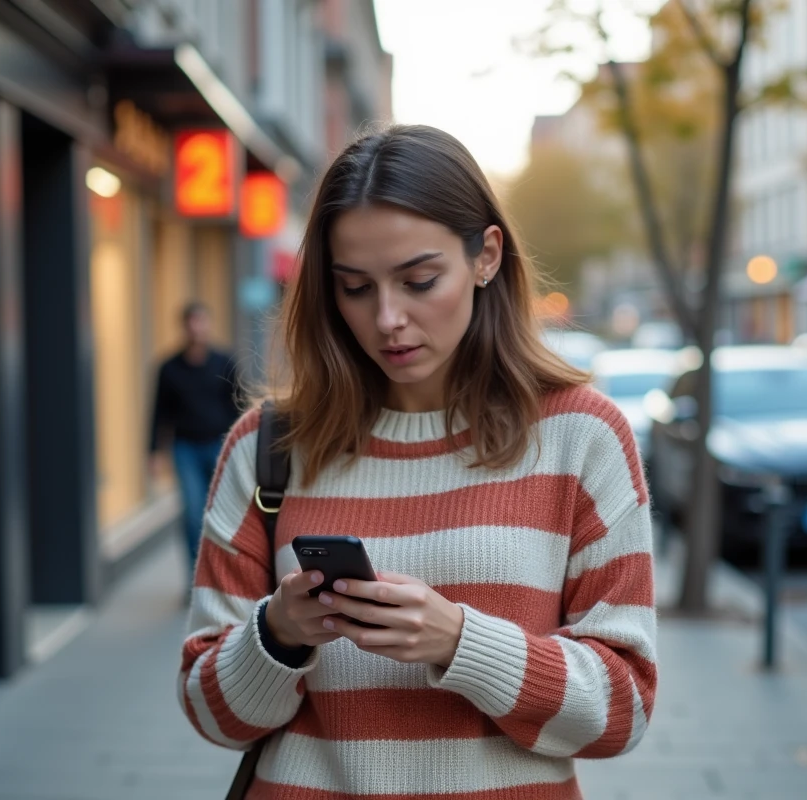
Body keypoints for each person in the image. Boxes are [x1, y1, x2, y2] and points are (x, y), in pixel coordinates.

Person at [177, 125, 657, 798]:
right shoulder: (270, 443)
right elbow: (209, 712)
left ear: (486, 256)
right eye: (355, 287)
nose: (388, 318)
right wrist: (279, 633)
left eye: (419, 279)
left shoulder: (581, 435)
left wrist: (460, 642)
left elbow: (623, 710)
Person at [150, 302, 241, 578]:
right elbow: (158, 412)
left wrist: (241, 448)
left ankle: (221, 576)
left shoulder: (224, 362)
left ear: (208, 325)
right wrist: (154, 451)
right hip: (185, 448)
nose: (196, 328)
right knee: (192, 514)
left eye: (201, 322)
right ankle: (196, 578)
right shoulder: (169, 368)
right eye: (191, 323)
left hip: (219, 445)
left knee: (221, 511)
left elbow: (239, 407)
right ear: (184, 327)